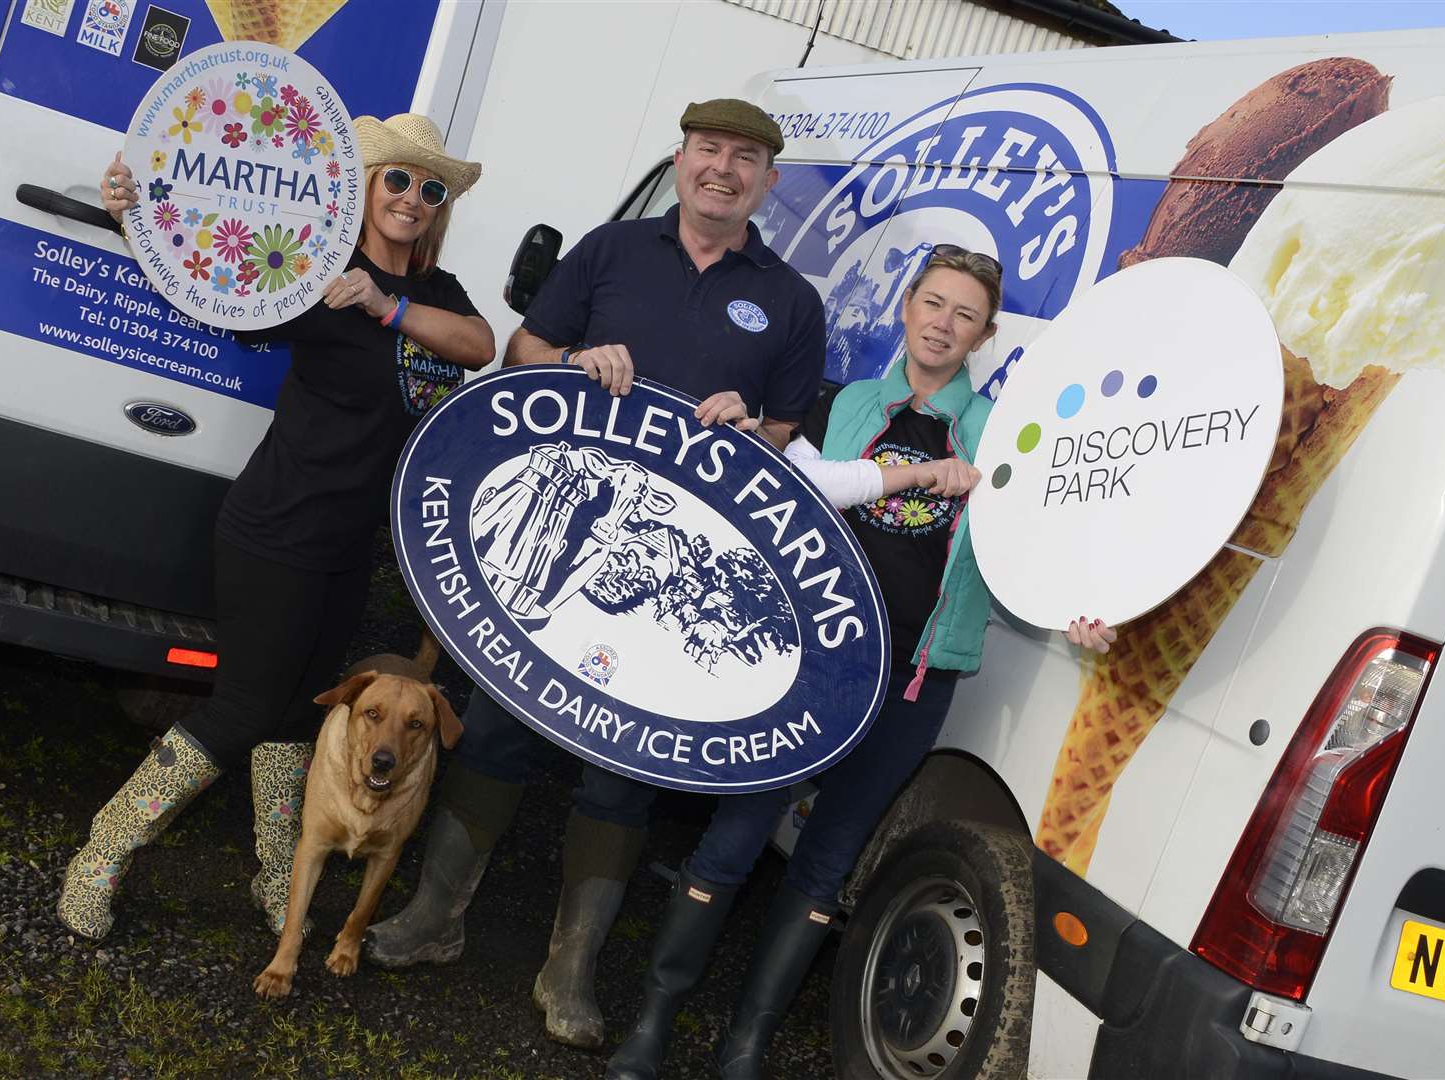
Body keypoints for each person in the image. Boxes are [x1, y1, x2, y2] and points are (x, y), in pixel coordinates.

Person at [363, 99, 826, 1049]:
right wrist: (576, 356)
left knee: (625, 776)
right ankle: (433, 919)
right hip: (559, 529)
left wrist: (758, 426)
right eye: (709, 151)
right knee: (494, 726)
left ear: (768, 181)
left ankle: (568, 969)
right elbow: (525, 349)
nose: (723, 171)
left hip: (661, 572)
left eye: (746, 159)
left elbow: (787, 435)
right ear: (681, 158)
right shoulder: (613, 251)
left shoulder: (791, 301)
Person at [604, 245, 1116, 1079]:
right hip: (801, 665)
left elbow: (1033, 548)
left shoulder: (999, 438)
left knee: (828, 859)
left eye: (965, 315)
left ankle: (745, 1047)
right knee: (732, 838)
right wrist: (891, 467)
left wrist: (1074, 613)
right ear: (906, 305)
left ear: (984, 336)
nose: (944, 325)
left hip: (912, 680)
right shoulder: (837, 404)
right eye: (934, 303)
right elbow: (796, 485)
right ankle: (652, 1025)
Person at [56, 114, 494, 942]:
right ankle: (99, 857)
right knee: (242, 711)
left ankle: (276, 877)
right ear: (365, 187)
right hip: (275, 529)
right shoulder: (317, 271)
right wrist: (132, 218)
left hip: (344, 546)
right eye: (396, 179)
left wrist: (387, 307)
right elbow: (213, 292)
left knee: (303, 712)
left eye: (429, 188)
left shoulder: (434, 296)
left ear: (441, 208)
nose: (411, 197)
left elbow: (478, 346)